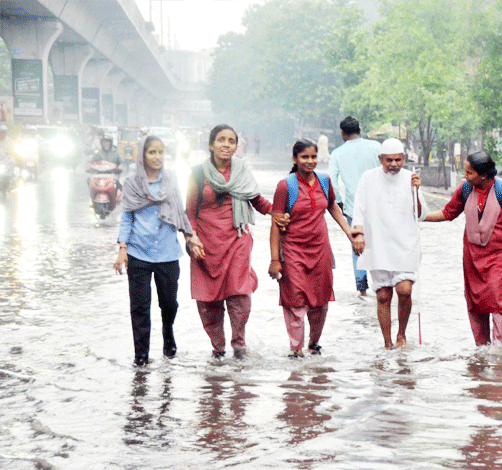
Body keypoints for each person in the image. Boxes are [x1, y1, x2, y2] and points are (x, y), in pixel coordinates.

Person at [186, 124, 288, 359]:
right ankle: (218, 347)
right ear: (211, 144)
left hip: (237, 237)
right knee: (207, 298)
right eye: (221, 140)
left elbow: (256, 200)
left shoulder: (242, 170)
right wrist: (193, 239)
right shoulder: (198, 174)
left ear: (236, 146)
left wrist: (276, 213)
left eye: (231, 141)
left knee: (239, 292)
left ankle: (239, 343)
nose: (226, 145)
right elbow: (189, 212)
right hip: (206, 244)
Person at [424, 150, 502, 346]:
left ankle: (499, 351)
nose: (465, 176)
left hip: (501, 257)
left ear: (483, 175)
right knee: (476, 305)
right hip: (473, 258)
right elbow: (448, 213)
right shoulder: (465, 189)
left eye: (469, 173)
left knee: (501, 305)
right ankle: (481, 353)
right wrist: (420, 216)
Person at [113, 136, 202, 367]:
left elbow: (180, 212)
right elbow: (127, 217)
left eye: (161, 152)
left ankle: (168, 332)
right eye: (152, 152)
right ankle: (141, 356)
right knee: (140, 308)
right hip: (138, 253)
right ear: (143, 155)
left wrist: (190, 237)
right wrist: (122, 249)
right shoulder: (132, 183)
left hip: (168, 254)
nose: (157, 157)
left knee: (169, 303)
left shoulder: (171, 179)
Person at [269, 139, 357, 358]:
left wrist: (349, 231)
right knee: (295, 300)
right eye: (304, 157)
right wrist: (274, 259)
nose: (310, 161)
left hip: (320, 251)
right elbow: (275, 224)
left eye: (313, 157)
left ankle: (314, 343)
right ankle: (296, 349)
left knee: (321, 301)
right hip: (292, 251)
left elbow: (333, 207)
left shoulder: (325, 181)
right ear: (295, 159)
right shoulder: (285, 186)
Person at [351, 138, 428, 350]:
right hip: (378, 242)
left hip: (405, 243)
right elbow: (359, 207)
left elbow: (420, 215)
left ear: (404, 158)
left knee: (404, 290)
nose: (394, 164)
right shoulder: (368, 178)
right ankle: (387, 343)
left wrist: (416, 191)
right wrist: (358, 234)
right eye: (389, 160)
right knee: (383, 295)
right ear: (380, 159)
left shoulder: (411, 178)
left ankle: (401, 334)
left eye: (398, 160)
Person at [328, 116, 381, 297]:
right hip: (379, 206)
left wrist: (340, 204)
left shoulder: (337, 154)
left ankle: (362, 290)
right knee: (379, 245)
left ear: (343, 133)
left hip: (352, 208)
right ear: (360, 129)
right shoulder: (376, 147)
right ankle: (382, 286)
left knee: (357, 248)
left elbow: (332, 184)